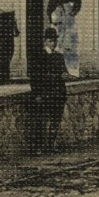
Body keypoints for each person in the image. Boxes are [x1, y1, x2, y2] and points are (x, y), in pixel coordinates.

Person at [26, 26, 69, 155]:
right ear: (44, 41)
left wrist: (64, 75)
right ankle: (37, 147)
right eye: (50, 41)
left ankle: (50, 145)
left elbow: (63, 71)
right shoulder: (38, 56)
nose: (52, 43)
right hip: (44, 93)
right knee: (41, 121)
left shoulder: (59, 56)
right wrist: (37, 94)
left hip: (58, 93)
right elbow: (35, 77)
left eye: (54, 41)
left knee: (55, 121)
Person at [49, 0, 82, 77]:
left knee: (72, 50)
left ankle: (74, 72)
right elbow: (53, 13)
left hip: (72, 27)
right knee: (60, 48)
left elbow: (74, 12)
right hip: (62, 27)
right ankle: (63, 71)